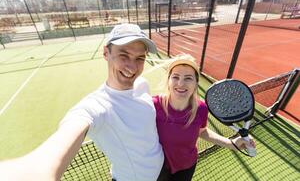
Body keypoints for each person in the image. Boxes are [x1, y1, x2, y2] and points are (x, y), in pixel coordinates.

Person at [0, 23, 164, 181]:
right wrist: (34, 171)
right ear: (106, 53)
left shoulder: (142, 84)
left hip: (163, 172)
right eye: (124, 55)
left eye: (140, 58)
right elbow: (73, 126)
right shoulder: (96, 107)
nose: (133, 67)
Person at [154, 54, 256, 181]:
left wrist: (231, 143)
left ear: (196, 83)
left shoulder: (200, 108)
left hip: (187, 166)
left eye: (188, 78)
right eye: (175, 77)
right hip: (157, 167)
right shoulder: (153, 106)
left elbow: (202, 131)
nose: (181, 83)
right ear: (168, 80)